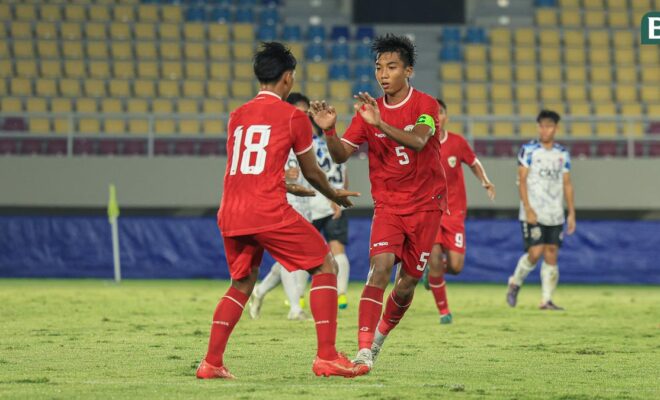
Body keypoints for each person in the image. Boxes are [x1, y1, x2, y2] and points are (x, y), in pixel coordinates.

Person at [196, 42, 362, 380]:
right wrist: (334, 194)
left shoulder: (237, 116)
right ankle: (327, 356)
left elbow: (247, 167)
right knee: (324, 264)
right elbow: (314, 171)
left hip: (231, 210)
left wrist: (286, 184)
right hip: (266, 209)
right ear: (288, 78)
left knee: (241, 283)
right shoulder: (293, 117)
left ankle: (211, 363)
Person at [310, 34, 444, 373]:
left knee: (408, 283)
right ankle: (364, 350)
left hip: (427, 206)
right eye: (378, 68)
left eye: (392, 67)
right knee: (380, 268)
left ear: (408, 71)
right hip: (388, 206)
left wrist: (380, 123)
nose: (383, 74)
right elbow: (341, 154)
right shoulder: (367, 112)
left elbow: (417, 141)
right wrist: (328, 131)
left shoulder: (426, 106)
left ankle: (381, 336)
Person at [421, 99, 496, 324]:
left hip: (455, 214)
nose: (438, 117)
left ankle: (432, 274)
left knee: (455, 266)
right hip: (431, 211)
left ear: (446, 117)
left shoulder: (457, 143)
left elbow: (474, 162)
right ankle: (444, 312)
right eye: (433, 114)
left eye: (441, 113)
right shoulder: (420, 144)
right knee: (434, 257)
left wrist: (485, 181)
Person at [248, 93, 318, 322]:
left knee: (295, 258)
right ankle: (295, 309)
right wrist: (282, 175)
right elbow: (259, 169)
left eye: (306, 113)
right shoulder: (275, 136)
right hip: (283, 201)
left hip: (305, 203)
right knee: (293, 256)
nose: (304, 116)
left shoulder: (309, 138)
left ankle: (260, 290)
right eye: (300, 111)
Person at [507, 110, 576, 310]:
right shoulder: (528, 150)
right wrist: (528, 208)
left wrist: (571, 211)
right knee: (535, 252)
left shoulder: (562, 153)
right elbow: (522, 180)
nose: (545, 130)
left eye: (549, 126)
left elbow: (567, 183)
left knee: (552, 253)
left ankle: (546, 300)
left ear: (555, 128)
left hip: (555, 212)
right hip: (534, 211)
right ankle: (515, 282)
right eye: (542, 126)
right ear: (538, 127)